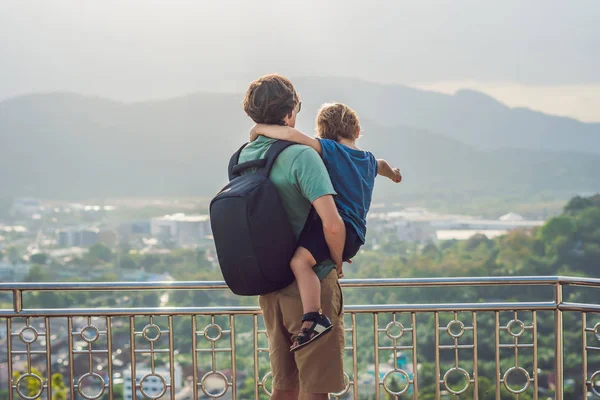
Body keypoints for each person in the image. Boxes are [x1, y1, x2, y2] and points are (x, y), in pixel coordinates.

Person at [250, 102, 402, 351]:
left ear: (323, 131)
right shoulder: (368, 160)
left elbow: (290, 134)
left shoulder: (330, 150)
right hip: (354, 236)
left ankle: (313, 317)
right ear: (357, 129)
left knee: (299, 262)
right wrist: (394, 174)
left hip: (335, 230)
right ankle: (315, 313)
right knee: (306, 258)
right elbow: (383, 166)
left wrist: (259, 129)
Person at [240, 74, 346, 399]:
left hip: (269, 287)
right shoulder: (302, 156)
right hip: (308, 290)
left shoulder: (245, 155)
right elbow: (332, 224)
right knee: (315, 389)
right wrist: (338, 264)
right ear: (289, 114)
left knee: (285, 387)